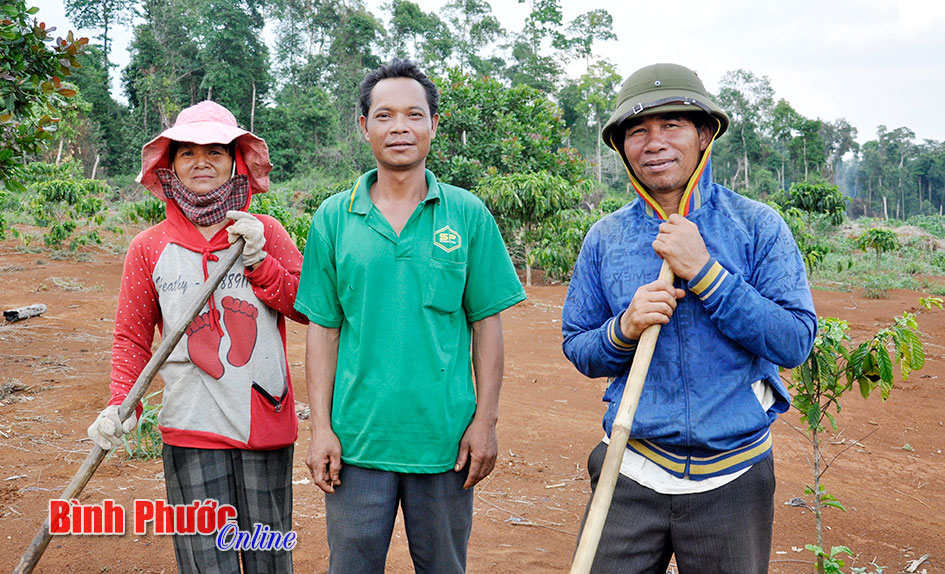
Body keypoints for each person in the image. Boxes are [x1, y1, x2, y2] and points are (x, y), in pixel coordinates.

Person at [561, 63, 817, 573]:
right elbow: (578, 345)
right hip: (629, 467)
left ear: (704, 135)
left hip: (733, 475)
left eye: (671, 125)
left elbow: (794, 341)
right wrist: (623, 329)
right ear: (622, 147)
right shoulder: (605, 238)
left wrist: (706, 273)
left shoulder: (757, 226)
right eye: (638, 130)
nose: (654, 142)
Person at [294, 58, 526, 574]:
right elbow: (323, 331)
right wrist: (320, 430)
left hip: (446, 444)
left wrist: (485, 423)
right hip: (356, 444)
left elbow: (486, 325)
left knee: (444, 566)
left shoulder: (467, 214)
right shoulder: (334, 218)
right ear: (364, 126)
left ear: (433, 124)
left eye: (413, 114)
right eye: (384, 115)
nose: (399, 127)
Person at [87, 100, 308, 573]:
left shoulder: (265, 232)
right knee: (206, 562)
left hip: (261, 417)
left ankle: (232, 342)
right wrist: (122, 403)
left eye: (215, 151)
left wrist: (260, 262)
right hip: (191, 422)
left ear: (235, 161)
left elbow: (306, 307)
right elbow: (131, 336)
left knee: (270, 558)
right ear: (170, 166)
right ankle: (212, 345)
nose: (201, 162)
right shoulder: (149, 247)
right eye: (187, 152)